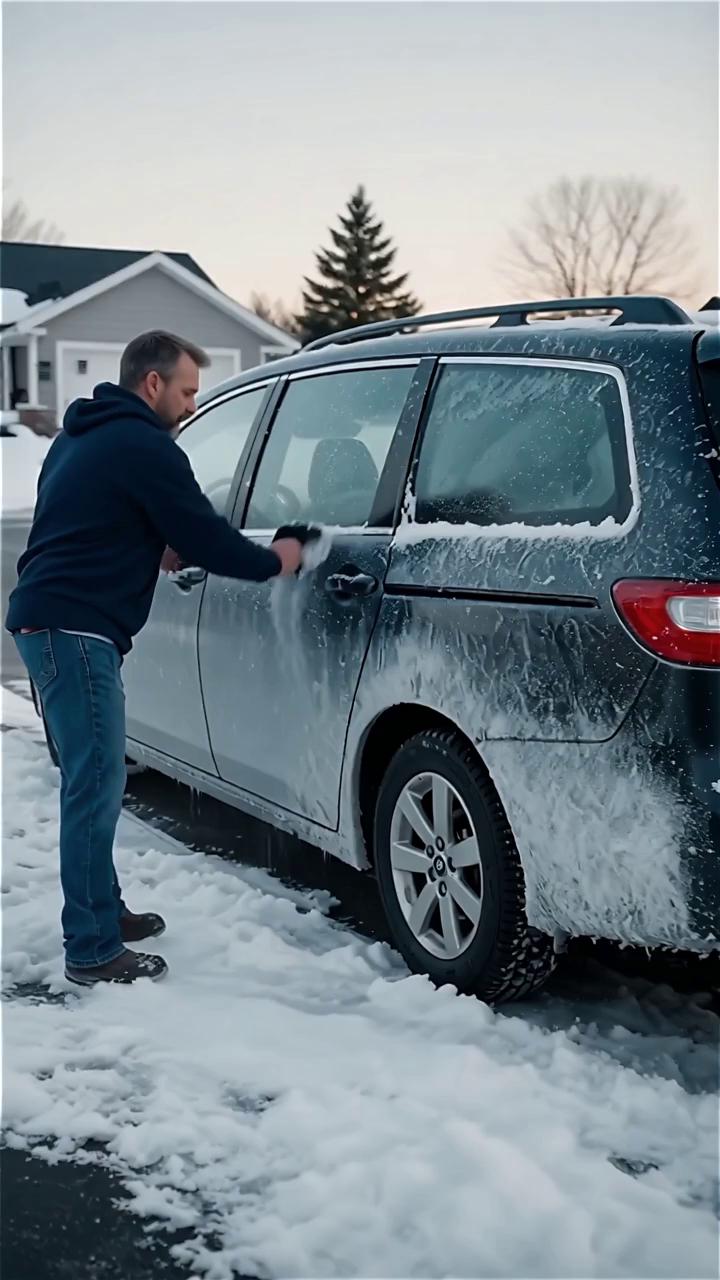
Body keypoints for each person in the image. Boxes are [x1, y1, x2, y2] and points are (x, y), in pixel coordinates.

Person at [6, 331, 316, 988]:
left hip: (50, 620)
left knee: (93, 781)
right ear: (153, 384)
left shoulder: (81, 437)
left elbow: (86, 518)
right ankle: (91, 949)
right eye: (186, 390)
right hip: (76, 629)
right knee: (93, 787)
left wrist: (154, 540)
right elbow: (207, 535)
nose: (190, 404)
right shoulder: (145, 445)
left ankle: (103, 913)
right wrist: (278, 559)